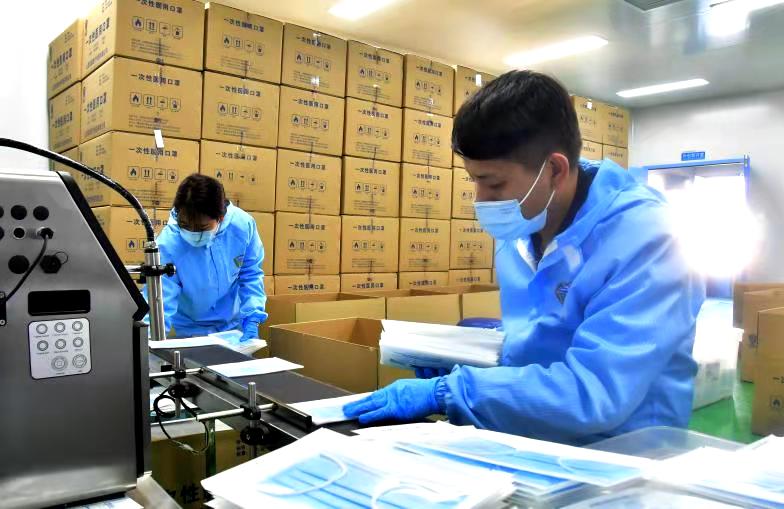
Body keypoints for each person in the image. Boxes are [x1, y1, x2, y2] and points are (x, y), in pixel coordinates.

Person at [344, 71, 705, 444]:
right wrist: (467, 361)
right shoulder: (523, 225)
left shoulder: (647, 239)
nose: (481, 200)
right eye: (474, 180)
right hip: (528, 438)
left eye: (494, 183)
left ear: (554, 170)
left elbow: (594, 393)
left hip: (624, 454)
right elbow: (534, 344)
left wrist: (452, 391)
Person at [143, 174, 267, 340]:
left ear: (220, 217)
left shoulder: (242, 226)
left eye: (202, 227)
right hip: (191, 330)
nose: (192, 232)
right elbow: (160, 301)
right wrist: (149, 342)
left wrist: (252, 316)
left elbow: (251, 274)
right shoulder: (168, 245)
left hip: (233, 328)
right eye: (185, 225)